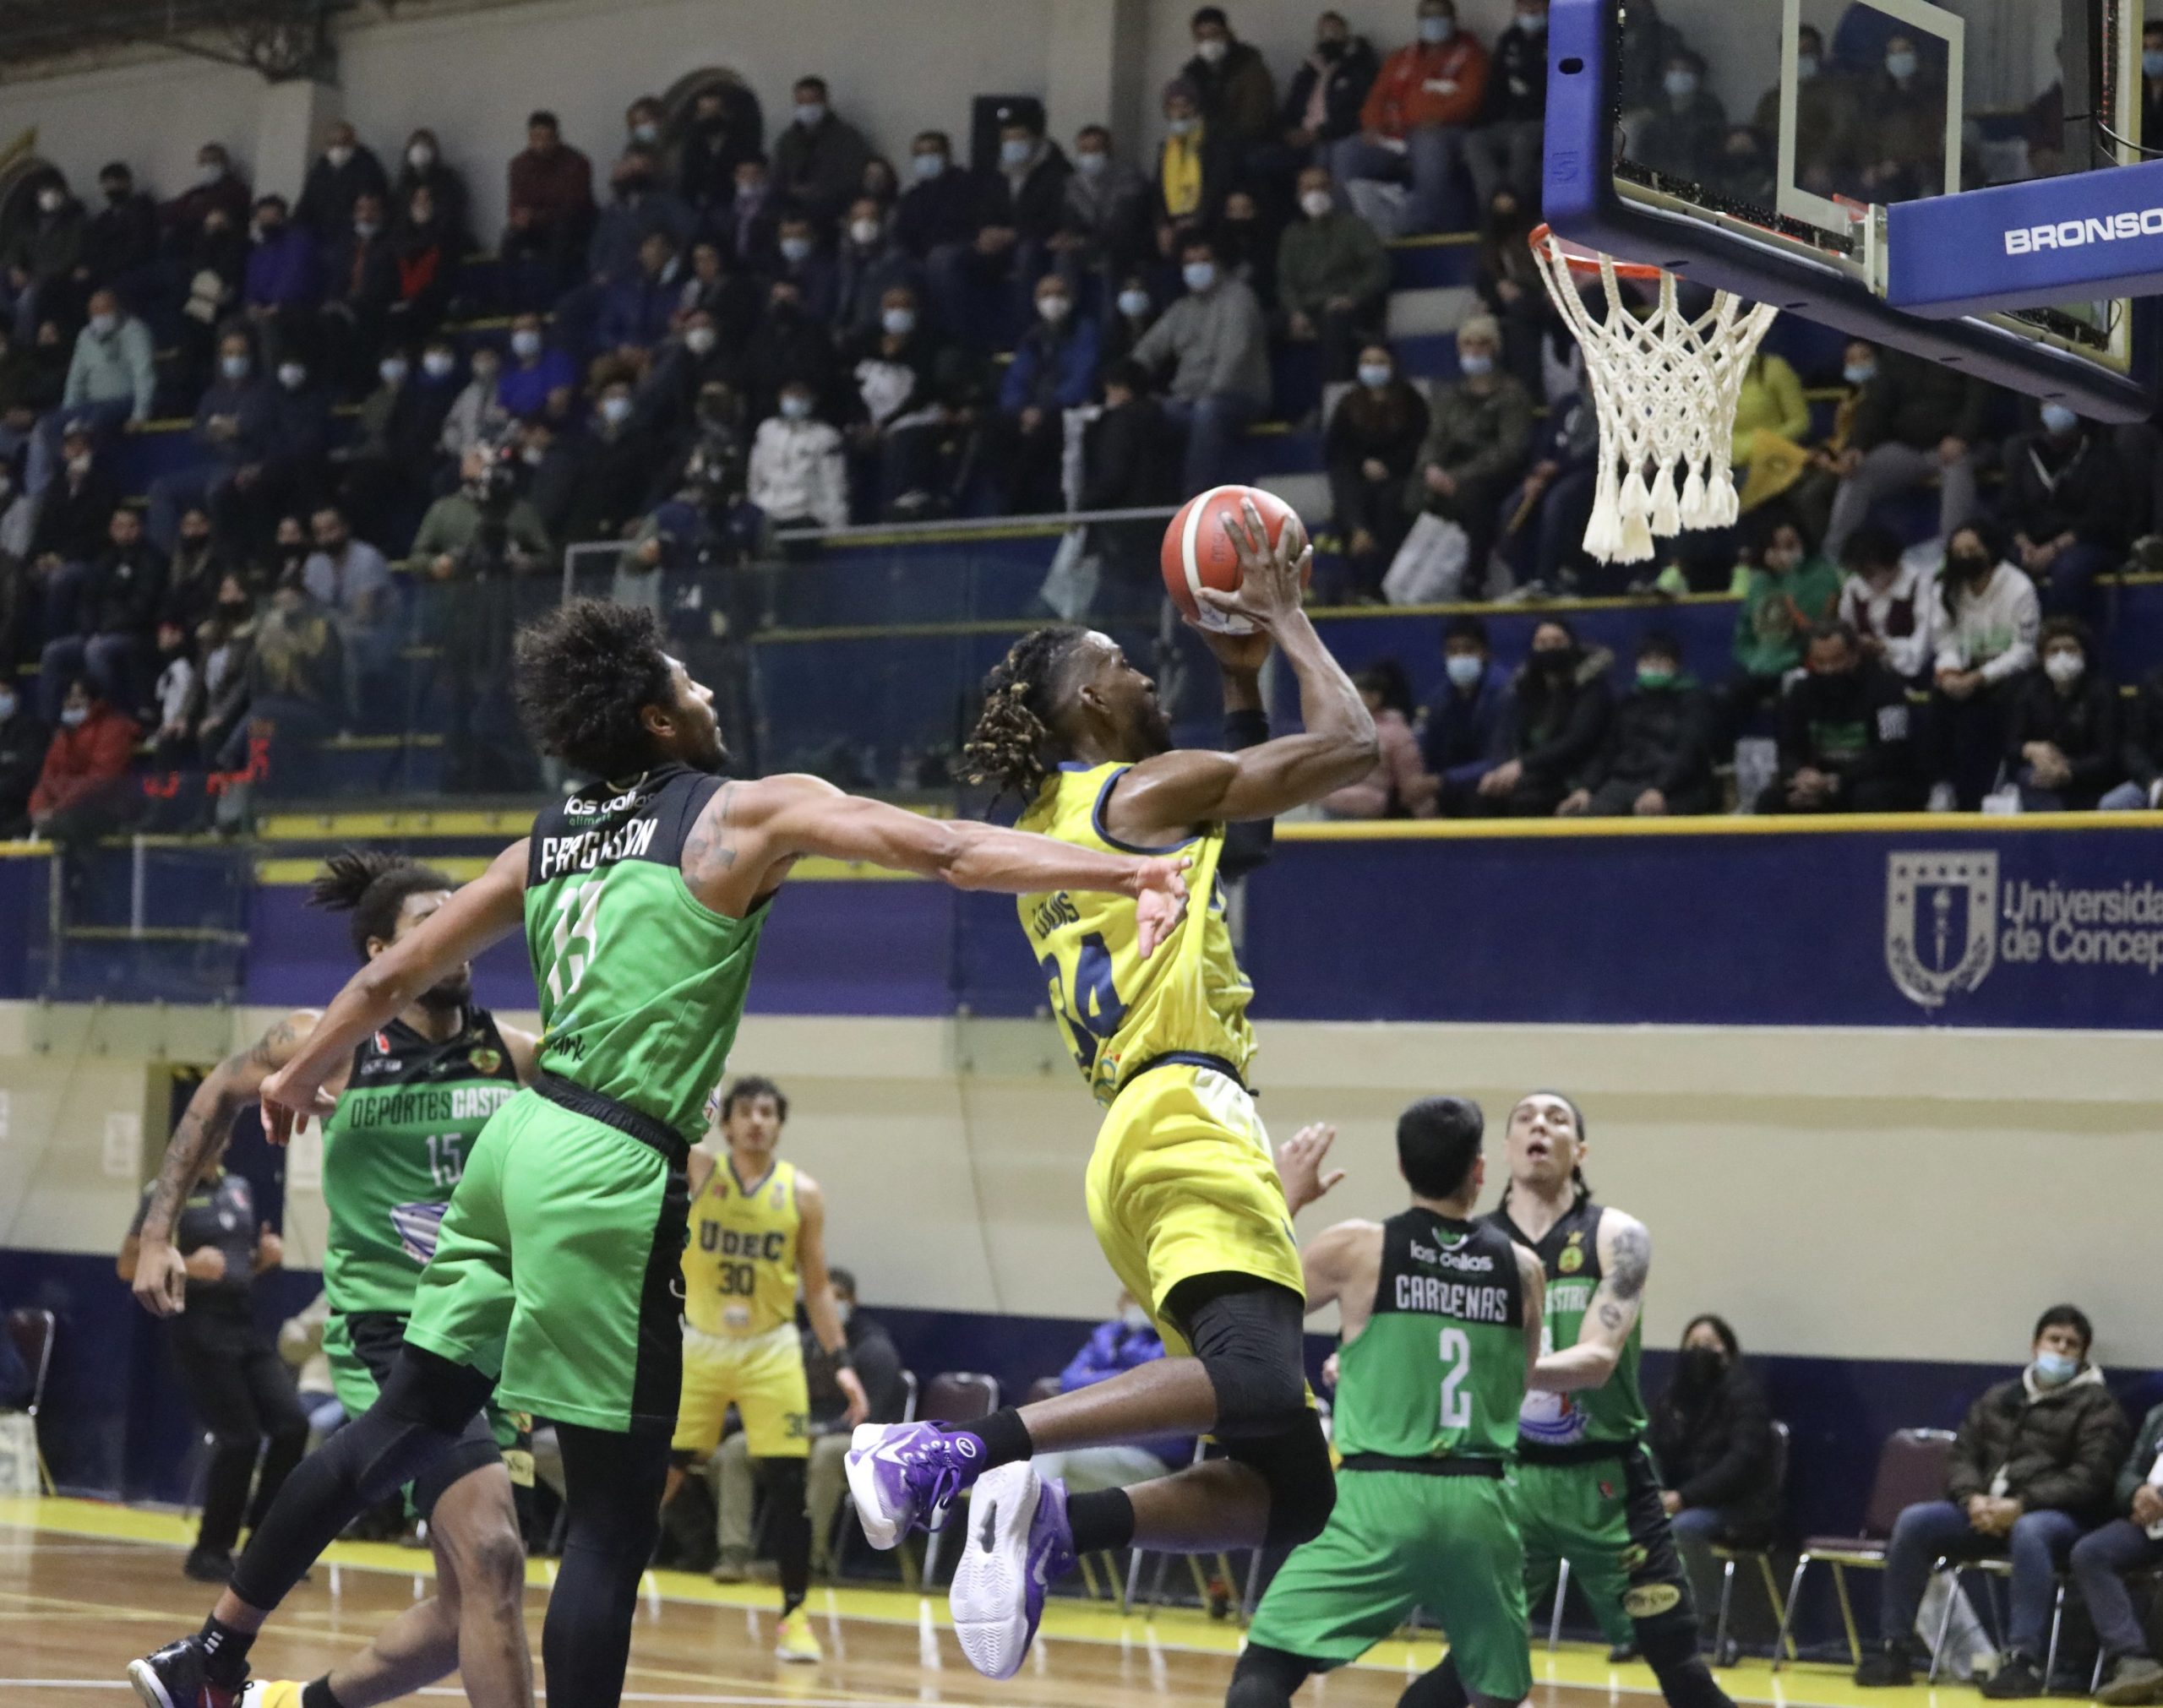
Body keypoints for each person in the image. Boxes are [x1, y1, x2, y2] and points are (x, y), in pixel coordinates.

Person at [130, 597, 1188, 1708]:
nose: (712, 693)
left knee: (403, 1419)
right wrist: (1128, 874)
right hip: (606, 1168)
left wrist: (301, 1073)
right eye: (692, 683)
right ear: (657, 719)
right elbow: (953, 849)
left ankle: (212, 1652)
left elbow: (392, 977)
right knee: (610, 1519)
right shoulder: (745, 812)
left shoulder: (550, 837)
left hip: (512, 1146)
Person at [853, 503, 1376, 1680]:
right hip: (1186, 1113)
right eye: (1125, 664)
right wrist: (1289, 619)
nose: (1147, 672)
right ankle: (950, 1452)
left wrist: (1239, 687)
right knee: (1256, 1379)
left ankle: (1061, 1524)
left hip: (1138, 1137)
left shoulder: (1063, 825)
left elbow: (1241, 846)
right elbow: (1350, 749)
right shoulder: (1132, 797)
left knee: (1292, 1485)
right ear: (1089, 703)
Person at [132, 851, 540, 1708]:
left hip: (496, 1341)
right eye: (429, 925)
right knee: (496, 1555)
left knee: (470, 1599)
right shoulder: (336, 1045)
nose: (456, 938)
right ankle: (212, 1654)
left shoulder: (511, 1055)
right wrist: (160, 1229)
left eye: (461, 920)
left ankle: (286, 1705)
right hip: (393, 1329)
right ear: (378, 954)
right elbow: (218, 1094)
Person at [1232, 1096, 1541, 1708]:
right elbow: (1515, 1385)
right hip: (1480, 1503)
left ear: (1402, 1166)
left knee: (1263, 1673)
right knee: (1490, 1692)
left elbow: (1247, 1310)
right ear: (1480, 1171)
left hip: (1378, 1498)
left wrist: (1284, 1198)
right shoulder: (1524, 1268)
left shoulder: (1358, 1248)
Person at [1485, 1092, 1742, 1708]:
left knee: (1677, 1661)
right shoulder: (1476, 1244)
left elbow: (1597, 1362)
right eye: (1525, 1118)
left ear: (1581, 1150)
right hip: (1507, 1478)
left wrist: (1492, 1374)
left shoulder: (1616, 1236)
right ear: (1506, 1148)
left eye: (1556, 1119)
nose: (1539, 1126)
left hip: (1608, 1481)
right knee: (1479, 1660)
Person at [663, 1074, 866, 1663]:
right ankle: (610, 1582)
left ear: (779, 1125)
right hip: (701, 1344)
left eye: (768, 1113)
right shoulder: (702, 1172)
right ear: (725, 1124)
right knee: (664, 1470)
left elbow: (820, 1288)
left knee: (788, 1482)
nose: (757, 1121)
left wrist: (841, 1363)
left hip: (770, 1347)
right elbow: (666, 1127)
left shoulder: (801, 1193)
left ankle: (795, 1616)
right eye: (746, 1112)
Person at [1855, 1306, 2129, 1694]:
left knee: (2030, 1531)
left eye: (2072, 1345)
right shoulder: (1998, 1398)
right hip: (1984, 1510)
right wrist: (1972, 1500)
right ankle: (1894, 1649)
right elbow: (1962, 1457)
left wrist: (2020, 1504)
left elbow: (2090, 1478)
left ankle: (2023, 1662)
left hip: (2058, 1519)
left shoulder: (2098, 1407)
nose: (2061, 1350)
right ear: (2036, 1345)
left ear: (2083, 1356)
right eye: (2055, 1340)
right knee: (1915, 1521)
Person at [117, 1149, 300, 1584]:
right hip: (197, 1324)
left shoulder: (239, 1188)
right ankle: (210, 1550)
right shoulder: (165, 1194)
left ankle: (267, 1550)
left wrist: (263, 1261)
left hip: (243, 1320)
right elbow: (128, 1265)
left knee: (292, 1424)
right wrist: (190, 1265)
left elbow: (238, 1267)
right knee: (240, 1438)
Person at [1648, 1314, 1779, 1660]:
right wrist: (1655, 1491)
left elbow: (1742, 1463)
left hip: (1741, 1506)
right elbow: (1655, 1448)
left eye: (1709, 1345)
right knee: (1636, 1520)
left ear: (1728, 1351)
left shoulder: (1745, 1394)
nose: (1699, 1353)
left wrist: (1684, 1497)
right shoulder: (1675, 1396)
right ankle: (1643, 1624)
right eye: (1692, 1346)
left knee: (1685, 1528)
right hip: (1686, 1499)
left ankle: (1715, 1623)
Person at [1334, 0, 1490, 237]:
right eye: (1428, 17)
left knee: (1429, 147)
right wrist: (1373, 125)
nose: (1434, 23)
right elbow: (1376, 97)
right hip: (1395, 133)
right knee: (1346, 152)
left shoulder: (1472, 56)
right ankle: (1350, 233)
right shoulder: (1402, 58)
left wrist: (1439, 118)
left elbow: (1470, 98)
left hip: (1446, 131)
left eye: (1440, 16)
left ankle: (1422, 229)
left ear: (1453, 19)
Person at [1130, 235, 1270, 494]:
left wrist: (1200, 395)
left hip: (1238, 395)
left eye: (1203, 260)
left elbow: (1233, 357)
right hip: (1187, 399)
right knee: (1142, 412)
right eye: (1189, 262)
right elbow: (1149, 349)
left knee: (1207, 412)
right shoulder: (1182, 308)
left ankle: (1194, 499)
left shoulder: (1239, 298)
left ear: (1218, 262)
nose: (1196, 268)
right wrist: (1127, 382)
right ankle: (1144, 499)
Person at [1822, 349, 1986, 561]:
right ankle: (1835, 558)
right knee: (1858, 471)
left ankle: (1952, 556)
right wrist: (1857, 446)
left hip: (1960, 445)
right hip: (1908, 447)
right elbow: (1876, 404)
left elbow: (1979, 399)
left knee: (1958, 467)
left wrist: (1962, 436)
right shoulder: (1899, 353)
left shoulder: (1965, 349)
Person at [1408, 314, 1534, 579]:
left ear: (1495, 348)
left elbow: (1509, 450)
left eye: (1482, 343)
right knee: (1407, 493)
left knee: (1475, 497)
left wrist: (1457, 477)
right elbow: (1435, 437)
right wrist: (1430, 468)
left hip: (1493, 472)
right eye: (1468, 343)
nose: (1475, 350)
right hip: (1451, 467)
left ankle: (1474, 577)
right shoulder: (1450, 393)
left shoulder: (1512, 394)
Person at [1031, 1292, 1196, 1495]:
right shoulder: (1108, 1335)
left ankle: (1026, 1517)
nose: (1133, 1304)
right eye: (1129, 1297)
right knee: (1044, 1445)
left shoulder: (1174, 1344)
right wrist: (1127, 1381)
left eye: (1139, 1297)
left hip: (1153, 1459)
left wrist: (1098, 1379)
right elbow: (1069, 1380)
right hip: (1095, 1445)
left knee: (1055, 1453)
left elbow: (1155, 1386)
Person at [1928, 521, 2040, 810]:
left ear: (1989, 551)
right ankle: (1941, 785)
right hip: (1965, 671)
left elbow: (2024, 650)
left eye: (1972, 550)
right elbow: (1944, 639)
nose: (1965, 557)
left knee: (1983, 718)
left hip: (2007, 674)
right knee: (1938, 700)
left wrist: (1981, 677)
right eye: (1958, 551)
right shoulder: (1945, 587)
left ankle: (1989, 790)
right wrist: (1950, 672)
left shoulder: (2019, 587)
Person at [1758, 622, 1920, 813]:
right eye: (1820, 662)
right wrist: (1801, 774)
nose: (1828, 670)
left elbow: (1892, 751)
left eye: (1837, 660)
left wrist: (1837, 781)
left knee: (1870, 796)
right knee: (1772, 799)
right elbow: (1788, 748)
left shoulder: (1887, 688)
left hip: (1871, 780)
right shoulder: (1800, 691)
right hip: (1819, 783)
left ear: (1854, 656)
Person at [1558, 629, 1715, 817]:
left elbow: (1689, 751)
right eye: (1647, 660)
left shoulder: (1696, 700)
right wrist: (1586, 788)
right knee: (1576, 815)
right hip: (1622, 781)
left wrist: (1661, 789)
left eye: (1661, 660)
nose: (1654, 666)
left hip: (1677, 787)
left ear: (1676, 665)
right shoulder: (1628, 702)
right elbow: (1607, 749)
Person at [2001, 406, 2136, 621]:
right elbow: (2009, 511)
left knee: (2068, 570)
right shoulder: (2026, 454)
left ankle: (2061, 639)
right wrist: (2025, 545)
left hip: (2085, 542)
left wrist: (2054, 548)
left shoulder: (2102, 456)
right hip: (2033, 543)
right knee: (2001, 565)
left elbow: (2104, 518)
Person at [2072, 1397, 2163, 1705]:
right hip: (2150, 1523)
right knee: (2091, 1552)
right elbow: (2127, 1472)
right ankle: (2133, 1659)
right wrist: (2137, 1493)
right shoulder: (2158, 1415)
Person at [41, 504, 165, 724]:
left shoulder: (152, 560)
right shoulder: (104, 559)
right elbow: (89, 600)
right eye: (118, 526)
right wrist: (91, 629)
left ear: (140, 528)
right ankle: (49, 725)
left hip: (135, 634)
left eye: (131, 526)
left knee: (96, 650)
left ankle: (105, 719)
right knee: (54, 651)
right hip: (100, 632)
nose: (124, 531)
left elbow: (142, 608)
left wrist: (105, 629)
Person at [1324, 344, 1427, 599]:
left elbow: (1419, 444)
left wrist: (1389, 466)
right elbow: (1336, 447)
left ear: (1392, 366)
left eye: (1379, 362)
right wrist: (1363, 463)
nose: (1373, 368)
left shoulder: (1411, 401)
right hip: (1358, 474)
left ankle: (1380, 585)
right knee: (1346, 486)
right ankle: (1359, 533)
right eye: (1367, 362)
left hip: (1400, 474)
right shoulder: (1349, 403)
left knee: (1389, 502)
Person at [1475, 620, 1608, 817]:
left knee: (1527, 800)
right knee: (1484, 792)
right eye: (1542, 643)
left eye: (1557, 642)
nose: (1550, 649)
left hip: (1570, 774)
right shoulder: (1525, 689)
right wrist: (1499, 770)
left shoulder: (1592, 690)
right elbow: (1506, 735)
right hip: (1532, 772)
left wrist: (1522, 765)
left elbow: (1576, 739)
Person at [995, 275, 1098, 515]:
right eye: (1046, 295)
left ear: (1071, 298)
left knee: (1046, 431)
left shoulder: (1084, 331)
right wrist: (1021, 409)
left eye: (1059, 294)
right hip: (1031, 410)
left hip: (1066, 408)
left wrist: (1047, 408)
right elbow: (1016, 379)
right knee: (996, 429)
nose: (1053, 300)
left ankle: (1022, 505)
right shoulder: (1033, 337)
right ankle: (1002, 499)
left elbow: (1083, 376)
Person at [1276, 167, 1390, 384]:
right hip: (1308, 306)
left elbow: (1378, 268)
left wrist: (1353, 296)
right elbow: (1286, 281)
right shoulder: (1291, 234)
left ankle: (1333, 395)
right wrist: (1295, 311)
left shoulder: (1354, 226)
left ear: (1332, 190)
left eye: (1321, 187)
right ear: (1299, 194)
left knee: (1335, 323)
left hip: (1346, 305)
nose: (1315, 194)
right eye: (1308, 188)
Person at [2003, 617, 2122, 811]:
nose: (2062, 656)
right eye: (2054, 650)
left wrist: (2068, 770)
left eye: (2071, 649)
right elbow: (2011, 745)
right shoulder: (2030, 692)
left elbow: (2108, 756)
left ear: (2084, 654)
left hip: (2090, 780)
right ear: (2042, 658)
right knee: (2031, 778)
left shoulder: (2103, 693)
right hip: (2042, 778)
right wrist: (2030, 748)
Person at [1730, 518, 1841, 713]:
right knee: (1716, 697)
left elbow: (1813, 632)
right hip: (1758, 668)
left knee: (1792, 699)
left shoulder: (1822, 577)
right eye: (1777, 546)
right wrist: (1753, 660)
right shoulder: (1759, 582)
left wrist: (1790, 575)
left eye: (1790, 545)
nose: (1784, 553)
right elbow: (1744, 634)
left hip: (1799, 665)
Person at [28, 676, 139, 846]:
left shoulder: (113, 730)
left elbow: (101, 779)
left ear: (95, 700)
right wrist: (38, 809)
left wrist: (57, 809)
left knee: (68, 824)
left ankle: (97, 873)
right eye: (68, 697)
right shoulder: (63, 736)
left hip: (105, 808)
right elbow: (47, 779)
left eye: (78, 697)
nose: (72, 703)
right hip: (64, 809)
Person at [1466, 0, 1549, 214]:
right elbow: (1496, 88)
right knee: (1475, 140)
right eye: (1524, 5)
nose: (1530, 11)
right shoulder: (1510, 40)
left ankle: (1516, 205)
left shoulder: (1563, 36)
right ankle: (1495, 204)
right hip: (1512, 121)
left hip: (1548, 121)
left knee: (1522, 138)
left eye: (1536, 5)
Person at [1421, 614, 1512, 811]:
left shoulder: (1506, 692)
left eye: (1469, 649)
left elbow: (1501, 756)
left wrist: (1443, 780)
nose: (1460, 657)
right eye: (1453, 651)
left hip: (1487, 780)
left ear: (1485, 652)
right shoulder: (1440, 698)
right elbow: (1428, 749)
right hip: (1448, 782)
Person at [503, 112, 596, 299]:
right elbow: (516, 202)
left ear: (557, 138)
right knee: (509, 238)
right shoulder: (519, 165)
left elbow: (574, 205)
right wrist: (518, 218)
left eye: (547, 138)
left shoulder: (576, 162)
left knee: (562, 233)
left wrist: (535, 216)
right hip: (535, 226)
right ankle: (509, 300)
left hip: (570, 225)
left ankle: (556, 297)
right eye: (536, 138)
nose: (542, 144)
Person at [1277, 12, 1381, 175]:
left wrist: (1320, 133)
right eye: (1324, 32)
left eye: (1334, 30)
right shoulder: (1309, 70)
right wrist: (1288, 131)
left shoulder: (1360, 66)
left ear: (1346, 33)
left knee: (1325, 154)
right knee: (1261, 157)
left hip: (1333, 135)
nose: (1329, 36)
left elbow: (1360, 111)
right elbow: (1292, 104)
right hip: (1302, 133)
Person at [1835, 523, 1937, 683]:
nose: (1865, 578)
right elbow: (1846, 631)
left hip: (1914, 674)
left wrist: (1884, 647)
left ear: (1892, 562)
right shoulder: (1854, 587)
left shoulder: (1921, 585)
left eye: (1870, 572)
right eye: (1860, 573)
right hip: (1867, 674)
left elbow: (1923, 649)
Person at [773, 78, 871, 229]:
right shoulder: (788, 140)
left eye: (812, 101)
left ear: (825, 102)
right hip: (793, 209)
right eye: (802, 102)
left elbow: (853, 178)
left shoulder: (846, 137)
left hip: (832, 211)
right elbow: (777, 177)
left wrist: (818, 191)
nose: (807, 107)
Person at [749, 381, 847, 530]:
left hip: (805, 514)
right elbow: (755, 474)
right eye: (790, 396)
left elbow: (834, 483)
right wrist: (754, 507)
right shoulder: (767, 430)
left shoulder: (825, 436)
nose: (794, 401)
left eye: (800, 397)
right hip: (767, 511)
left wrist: (837, 526)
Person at [1184, 7, 1278, 159]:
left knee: (1223, 153)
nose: (1208, 41)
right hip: (1204, 137)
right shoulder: (1192, 71)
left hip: (1246, 140)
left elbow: (1254, 116)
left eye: (1214, 34)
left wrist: (1218, 135)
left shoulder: (1248, 63)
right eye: (1201, 36)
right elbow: (1185, 108)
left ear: (1227, 33)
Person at [296, 122, 390, 241]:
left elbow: (373, 207)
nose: (338, 147)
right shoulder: (320, 170)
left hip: (354, 239)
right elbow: (305, 204)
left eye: (344, 142)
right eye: (333, 143)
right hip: (320, 237)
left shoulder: (369, 168)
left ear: (353, 142)